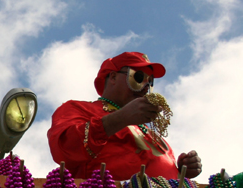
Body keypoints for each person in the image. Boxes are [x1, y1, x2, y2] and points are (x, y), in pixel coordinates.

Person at [47, 51, 202, 180]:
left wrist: (182, 172)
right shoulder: (78, 108)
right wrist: (121, 118)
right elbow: (64, 148)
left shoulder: (147, 131)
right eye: (138, 77)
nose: (145, 87)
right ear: (113, 77)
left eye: (150, 81)